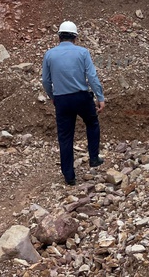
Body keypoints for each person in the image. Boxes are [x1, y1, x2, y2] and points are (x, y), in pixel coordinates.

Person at [42, 20, 106, 185]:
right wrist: (100, 97)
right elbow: (91, 76)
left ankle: (69, 176)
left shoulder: (49, 55)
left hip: (62, 99)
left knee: (65, 137)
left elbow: (46, 81)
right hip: (81, 97)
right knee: (92, 122)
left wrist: (53, 97)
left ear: (59, 37)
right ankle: (93, 157)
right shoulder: (83, 52)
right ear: (75, 37)